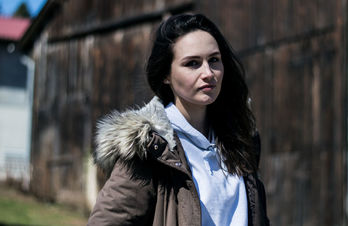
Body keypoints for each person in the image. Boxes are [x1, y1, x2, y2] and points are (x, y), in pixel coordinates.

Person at [87, 14, 269, 226]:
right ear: (166, 75)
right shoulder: (150, 146)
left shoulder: (241, 139)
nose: (208, 73)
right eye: (192, 63)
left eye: (214, 60)